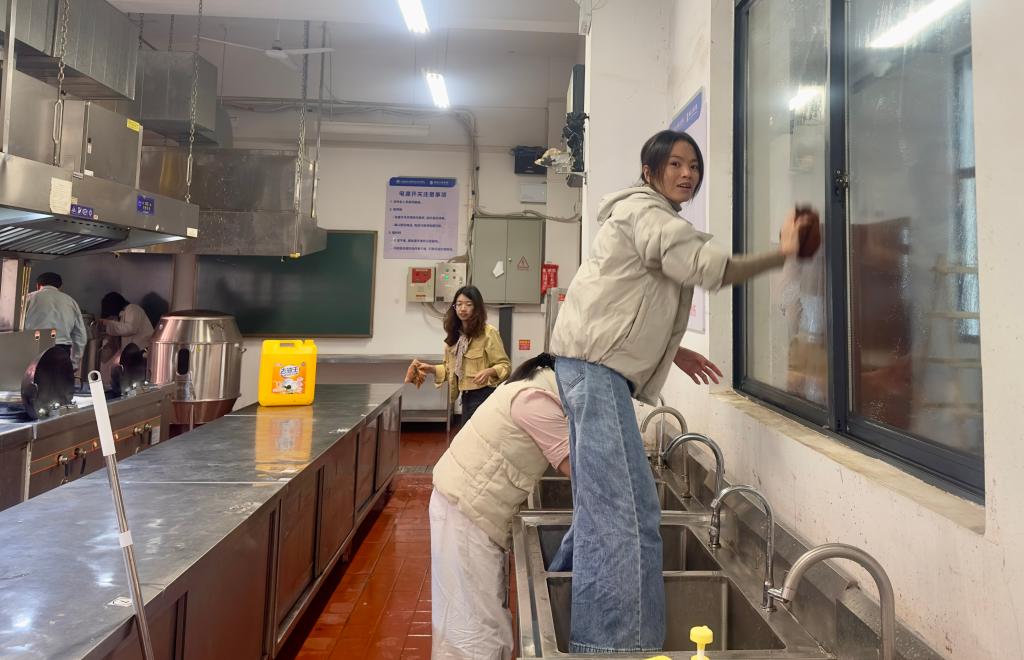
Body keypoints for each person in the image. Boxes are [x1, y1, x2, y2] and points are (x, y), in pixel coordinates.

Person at [548, 129, 817, 653]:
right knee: (628, 518)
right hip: (597, 375)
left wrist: (673, 352)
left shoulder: (639, 215)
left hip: (587, 369)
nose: (687, 173)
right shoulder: (648, 214)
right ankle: (613, 648)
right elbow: (704, 266)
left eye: (693, 165)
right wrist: (783, 253)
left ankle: (569, 606)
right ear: (649, 171)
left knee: (603, 510)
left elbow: (627, 304)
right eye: (674, 164)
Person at [430, 353, 570, 659]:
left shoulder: (535, 381)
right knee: (475, 625)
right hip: (468, 510)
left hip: (466, 504)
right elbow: (580, 469)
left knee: (474, 615)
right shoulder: (537, 400)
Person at [407, 285, 511, 424]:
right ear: (454, 307)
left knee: (475, 436)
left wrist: (489, 371)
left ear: (477, 308)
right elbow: (451, 370)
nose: (463, 308)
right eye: (459, 304)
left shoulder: (488, 333)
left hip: (484, 395)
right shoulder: (455, 335)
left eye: (468, 304)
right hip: (466, 397)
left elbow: (505, 366)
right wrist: (431, 369)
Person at [23, 272, 87, 369]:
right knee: (58, 378)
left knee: (32, 378)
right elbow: (80, 336)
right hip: (61, 351)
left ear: (38, 285)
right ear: (60, 287)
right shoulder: (70, 301)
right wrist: (74, 363)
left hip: (33, 348)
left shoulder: (28, 298)